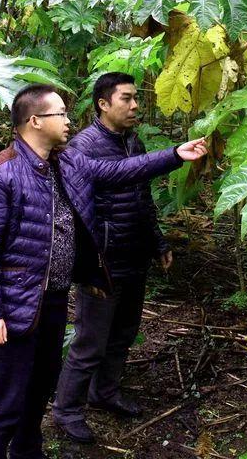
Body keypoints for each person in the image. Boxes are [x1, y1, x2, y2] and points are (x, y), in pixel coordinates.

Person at [0, 84, 206, 459]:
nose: (67, 120)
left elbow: (124, 170)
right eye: (60, 113)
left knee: (40, 386)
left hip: (54, 299)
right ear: (34, 121)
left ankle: (28, 452)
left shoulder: (68, 162)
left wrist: (175, 155)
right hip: (15, 305)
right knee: (5, 399)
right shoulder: (0, 173)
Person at [53, 72, 174, 444]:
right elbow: (113, 180)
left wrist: (158, 242)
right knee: (90, 341)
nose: (135, 105)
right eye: (126, 98)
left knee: (123, 333)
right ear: (103, 104)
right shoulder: (82, 147)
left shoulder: (132, 142)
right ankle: (66, 410)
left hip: (133, 255)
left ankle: (104, 393)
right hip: (102, 262)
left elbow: (142, 196)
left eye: (136, 97)